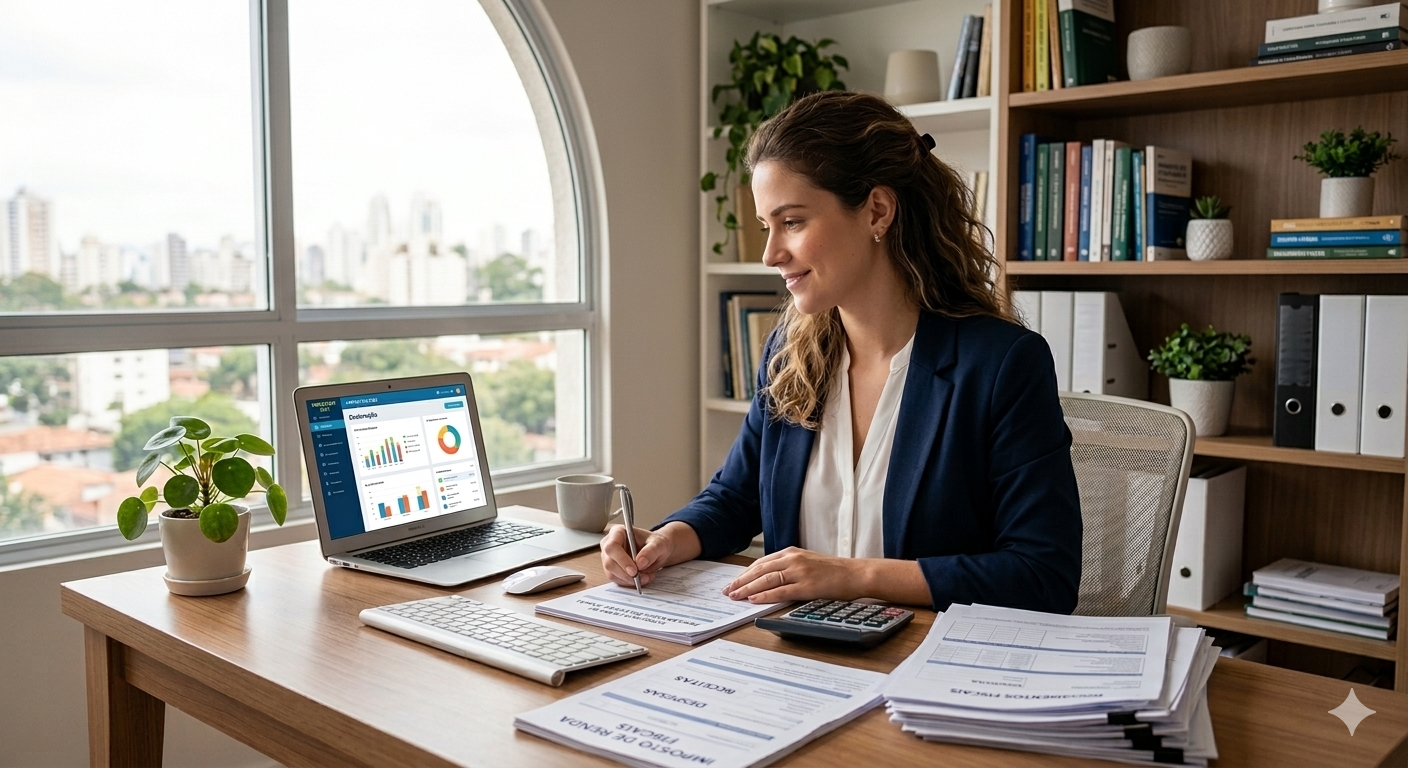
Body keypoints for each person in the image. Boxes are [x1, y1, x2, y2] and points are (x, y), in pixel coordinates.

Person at [600, 90, 1082, 613]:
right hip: (799, 661)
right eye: (767, 227)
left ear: (877, 210)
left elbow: (1043, 575)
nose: (769, 254)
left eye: (792, 222)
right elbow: (738, 497)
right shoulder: (789, 357)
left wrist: (855, 577)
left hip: (924, 668)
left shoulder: (1002, 365)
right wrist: (670, 538)